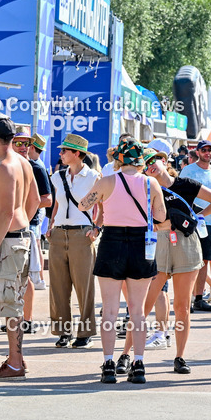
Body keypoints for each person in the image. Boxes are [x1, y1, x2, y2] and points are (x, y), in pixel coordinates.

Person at [118, 147, 211, 373]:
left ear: (163, 160)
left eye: (154, 159)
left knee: (182, 307)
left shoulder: (185, 184)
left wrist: (195, 216)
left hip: (186, 243)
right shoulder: (144, 187)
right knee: (144, 305)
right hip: (158, 244)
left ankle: (180, 357)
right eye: (146, 162)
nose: (151, 165)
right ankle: (126, 354)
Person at [79, 139, 166, 384]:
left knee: (109, 310)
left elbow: (83, 204)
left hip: (112, 241)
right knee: (137, 311)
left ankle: (108, 363)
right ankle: (138, 363)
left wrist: (103, 202)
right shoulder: (151, 183)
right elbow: (160, 215)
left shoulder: (107, 181)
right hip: (140, 244)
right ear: (140, 161)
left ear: (119, 159)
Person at [0, 117, 40, 381]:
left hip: (8, 241)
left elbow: (5, 211)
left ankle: (15, 364)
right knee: (12, 302)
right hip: (19, 238)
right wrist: (21, 224)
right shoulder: (24, 162)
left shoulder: (5, 167)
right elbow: (36, 200)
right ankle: (16, 360)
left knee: (8, 305)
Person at [47, 134, 101, 349]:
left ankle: (85, 332)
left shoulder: (94, 177)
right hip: (59, 234)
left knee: (84, 287)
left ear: (77, 154)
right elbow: (57, 206)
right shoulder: (57, 177)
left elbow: (103, 206)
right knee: (58, 287)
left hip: (82, 235)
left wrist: (97, 227)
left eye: (64, 151)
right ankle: (62, 331)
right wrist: (50, 227)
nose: (60, 154)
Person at [178, 139, 211, 312]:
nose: (207, 153)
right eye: (204, 150)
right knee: (188, 261)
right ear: (197, 152)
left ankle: (199, 298)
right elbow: (178, 194)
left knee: (205, 260)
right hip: (189, 222)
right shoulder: (188, 171)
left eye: (210, 150)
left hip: (209, 223)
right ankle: (187, 300)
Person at [25, 133, 53, 289]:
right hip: (34, 214)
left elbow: (47, 200)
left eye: (26, 145)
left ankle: (39, 279)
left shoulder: (37, 167)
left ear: (32, 147)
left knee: (35, 247)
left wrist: (26, 205)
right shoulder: (38, 164)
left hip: (33, 216)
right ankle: (39, 279)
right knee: (36, 247)